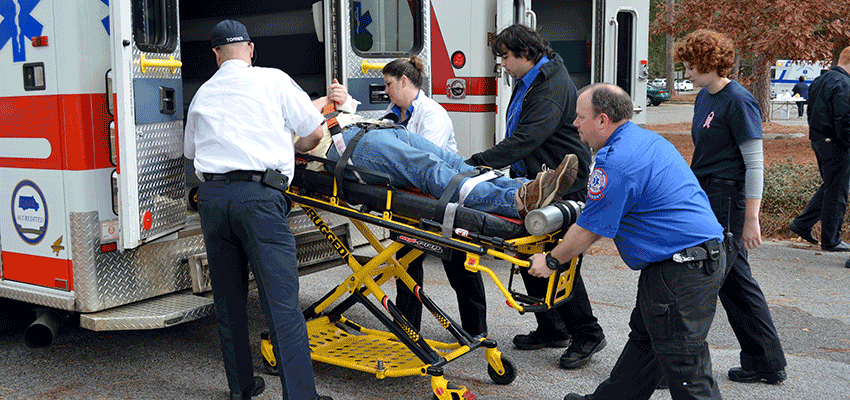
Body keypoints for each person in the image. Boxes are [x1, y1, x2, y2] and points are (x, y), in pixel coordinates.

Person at [543, 83, 726, 400]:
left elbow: (589, 230)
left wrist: (550, 260)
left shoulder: (616, 160)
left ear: (602, 120)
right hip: (691, 259)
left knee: (685, 367)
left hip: (682, 267)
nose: (575, 124)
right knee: (646, 343)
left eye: (580, 116)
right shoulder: (644, 138)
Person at [183, 20, 331, 400]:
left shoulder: (203, 93)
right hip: (260, 199)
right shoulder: (274, 80)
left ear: (216, 55)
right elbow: (314, 133)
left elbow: (191, 153)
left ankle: (242, 390)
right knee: (281, 304)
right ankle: (300, 397)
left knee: (229, 301)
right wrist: (292, 142)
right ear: (250, 49)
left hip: (213, 201)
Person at [466, 23, 605, 369]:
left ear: (525, 54)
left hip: (562, 181)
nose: (503, 64)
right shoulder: (534, 78)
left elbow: (528, 136)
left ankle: (587, 334)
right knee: (528, 248)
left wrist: (478, 163)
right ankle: (551, 326)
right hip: (538, 179)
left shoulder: (551, 86)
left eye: (505, 57)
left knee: (558, 258)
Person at [673, 29, 787, 385]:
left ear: (710, 63)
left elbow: (755, 163)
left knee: (701, 283)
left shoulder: (738, 100)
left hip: (728, 201)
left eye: (691, 66)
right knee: (735, 282)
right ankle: (765, 361)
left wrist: (751, 219)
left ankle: (669, 364)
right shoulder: (704, 98)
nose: (686, 73)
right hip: (707, 195)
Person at [372, 56, 488, 336]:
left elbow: (425, 163)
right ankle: (408, 327)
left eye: (389, 84)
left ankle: (476, 330)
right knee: (406, 265)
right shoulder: (394, 112)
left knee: (459, 266)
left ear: (403, 81)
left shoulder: (432, 114)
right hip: (410, 201)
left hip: (442, 199)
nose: (386, 90)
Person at [790, 46, 850, 252]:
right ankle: (831, 239)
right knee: (837, 190)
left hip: (819, 140)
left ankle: (803, 223)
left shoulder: (821, 80)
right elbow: (844, 118)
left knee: (831, 185)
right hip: (836, 142)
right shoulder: (844, 83)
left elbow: (811, 111)